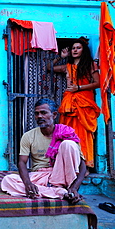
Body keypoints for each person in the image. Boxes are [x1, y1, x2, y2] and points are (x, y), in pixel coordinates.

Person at [1, 98, 87, 204]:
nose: (39, 116)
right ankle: (61, 193)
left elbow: (82, 165)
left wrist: (74, 187)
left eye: (43, 113)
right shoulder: (28, 136)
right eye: (36, 114)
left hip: (61, 175)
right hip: (39, 176)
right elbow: (22, 162)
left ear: (54, 115)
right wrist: (28, 183)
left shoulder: (66, 133)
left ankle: (68, 189)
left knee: (68, 144)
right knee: (8, 180)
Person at [48, 38, 100, 168]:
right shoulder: (68, 67)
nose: (75, 50)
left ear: (84, 50)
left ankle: (85, 166)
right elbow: (49, 68)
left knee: (83, 134)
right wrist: (60, 57)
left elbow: (98, 83)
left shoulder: (91, 65)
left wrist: (78, 88)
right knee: (68, 133)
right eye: (73, 48)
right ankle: (70, 165)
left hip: (84, 103)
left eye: (78, 48)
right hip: (69, 104)